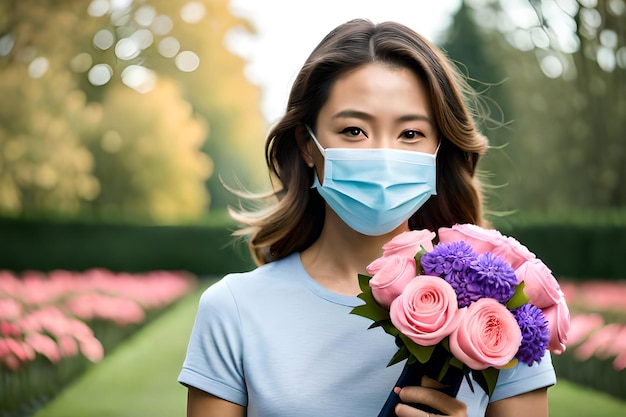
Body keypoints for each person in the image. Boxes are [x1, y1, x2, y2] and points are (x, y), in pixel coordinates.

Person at [178, 18, 557, 417]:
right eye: (354, 130)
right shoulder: (234, 309)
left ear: (439, 150)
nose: (383, 155)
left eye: (410, 134)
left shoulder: (500, 314)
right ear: (308, 145)